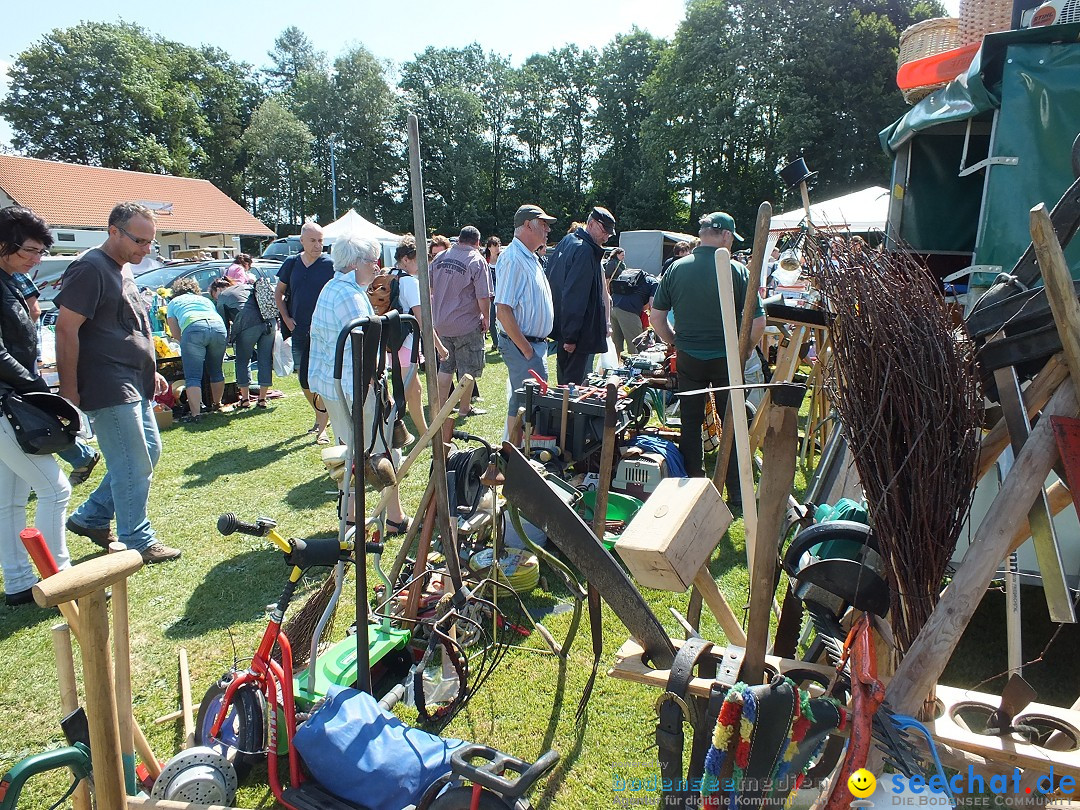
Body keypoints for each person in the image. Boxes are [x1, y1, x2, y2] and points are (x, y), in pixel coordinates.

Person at [55, 202, 180, 563]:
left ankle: (92, 516)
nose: (146, 250)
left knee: (148, 453)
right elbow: (66, 329)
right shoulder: (89, 267)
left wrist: (149, 367)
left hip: (132, 380)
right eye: (140, 241)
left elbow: (127, 325)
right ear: (113, 231)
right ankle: (137, 540)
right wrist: (69, 389)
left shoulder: (122, 268)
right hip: (107, 382)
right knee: (132, 464)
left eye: (151, 243)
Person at [650, 211, 765, 505]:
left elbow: (657, 318)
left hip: (690, 357)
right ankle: (737, 493)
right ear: (725, 236)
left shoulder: (677, 268)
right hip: (727, 358)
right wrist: (746, 350)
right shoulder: (737, 271)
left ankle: (692, 486)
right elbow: (758, 324)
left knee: (690, 422)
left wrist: (675, 341)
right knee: (734, 423)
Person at [306, 231, 409, 534]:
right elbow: (362, 351)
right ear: (356, 264)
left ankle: (351, 516)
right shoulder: (351, 297)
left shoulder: (331, 288)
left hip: (334, 387)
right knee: (381, 453)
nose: (378, 267)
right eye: (373, 261)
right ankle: (392, 518)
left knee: (349, 451)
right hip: (357, 390)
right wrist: (375, 394)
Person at [0, 206, 72, 605]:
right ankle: (57, 576)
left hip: (12, 398)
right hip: (8, 403)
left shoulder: (11, 281)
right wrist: (35, 387)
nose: (37, 259)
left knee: (10, 498)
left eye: (42, 252)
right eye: (31, 250)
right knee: (55, 489)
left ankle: (18, 582)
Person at [11, 270, 101, 485]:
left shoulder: (13, 271)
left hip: (17, 358)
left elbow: (33, 311)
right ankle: (80, 455)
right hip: (14, 357)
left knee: (29, 414)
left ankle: (81, 455)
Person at [495, 205, 555, 444]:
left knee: (528, 401)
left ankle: (516, 454)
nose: (548, 229)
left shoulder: (528, 256)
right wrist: (527, 349)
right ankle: (514, 456)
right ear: (528, 224)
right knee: (526, 401)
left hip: (532, 345)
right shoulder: (512, 258)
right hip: (524, 345)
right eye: (544, 224)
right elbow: (503, 310)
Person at [431, 226, 492, 441]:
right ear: (477, 242)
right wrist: (487, 317)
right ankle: (464, 408)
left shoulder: (439, 258)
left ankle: (440, 408)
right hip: (466, 323)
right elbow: (483, 296)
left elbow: (430, 288)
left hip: (442, 322)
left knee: (446, 365)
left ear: (459, 239)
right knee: (468, 369)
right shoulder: (476, 260)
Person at [276, 222, 334, 444]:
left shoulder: (330, 265)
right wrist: (287, 319)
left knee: (325, 377)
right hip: (299, 329)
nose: (318, 245)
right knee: (304, 378)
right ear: (302, 241)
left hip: (325, 331)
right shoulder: (291, 264)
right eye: (313, 240)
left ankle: (322, 424)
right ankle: (321, 415)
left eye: (321, 240)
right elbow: (279, 293)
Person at [546, 206, 616, 385]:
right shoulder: (584, 250)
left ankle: (563, 411)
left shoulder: (568, 240)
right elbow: (575, 297)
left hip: (564, 327)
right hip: (576, 334)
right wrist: (571, 337)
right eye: (604, 231)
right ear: (591, 224)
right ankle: (565, 414)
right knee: (572, 387)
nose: (607, 237)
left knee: (565, 382)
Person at [166, 276, 231, 421]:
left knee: (193, 376)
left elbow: (176, 334)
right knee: (216, 370)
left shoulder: (173, 303)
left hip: (193, 328)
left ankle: (196, 414)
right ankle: (217, 404)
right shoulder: (206, 300)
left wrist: (189, 345)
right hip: (218, 328)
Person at [388, 235, 434, 435]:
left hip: (391, 343)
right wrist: (438, 347)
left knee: (413, 390)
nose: (421, 263)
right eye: (418, 258)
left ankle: (424, 432)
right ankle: (388, 427)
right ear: (405, 259)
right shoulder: (409, 282)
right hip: (406, 343)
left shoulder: (389, 274)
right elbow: (421, 319)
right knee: (407, 391)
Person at [211, 278, 275, 408]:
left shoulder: (223, 296)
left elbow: (224, 326)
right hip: (269, 322)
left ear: (217, 289)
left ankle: (245, 400)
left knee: (242, 360)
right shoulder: (247, 286)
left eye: (214, 296)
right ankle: (262, 399)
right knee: (265, 360)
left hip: (247, 325)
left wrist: (224, 343)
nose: (216, 299)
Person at [609, 266, 658, 357]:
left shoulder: (637, 280)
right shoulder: (655, 283)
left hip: (613, 307)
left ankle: (613, 368)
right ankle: (636, 369)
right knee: (637, 346)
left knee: (616, 346)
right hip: (628, 311)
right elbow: (652, 305)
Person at [484, 236, 502, 351]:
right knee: (491, 320)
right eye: (495, 246)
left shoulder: (503, 259)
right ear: (489, 247)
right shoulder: (485, 261)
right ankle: (496, 342)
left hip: (501, 293)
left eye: (498, 246)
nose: (497, 248)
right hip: (490, 295)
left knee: (503, 319)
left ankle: (504, 342)